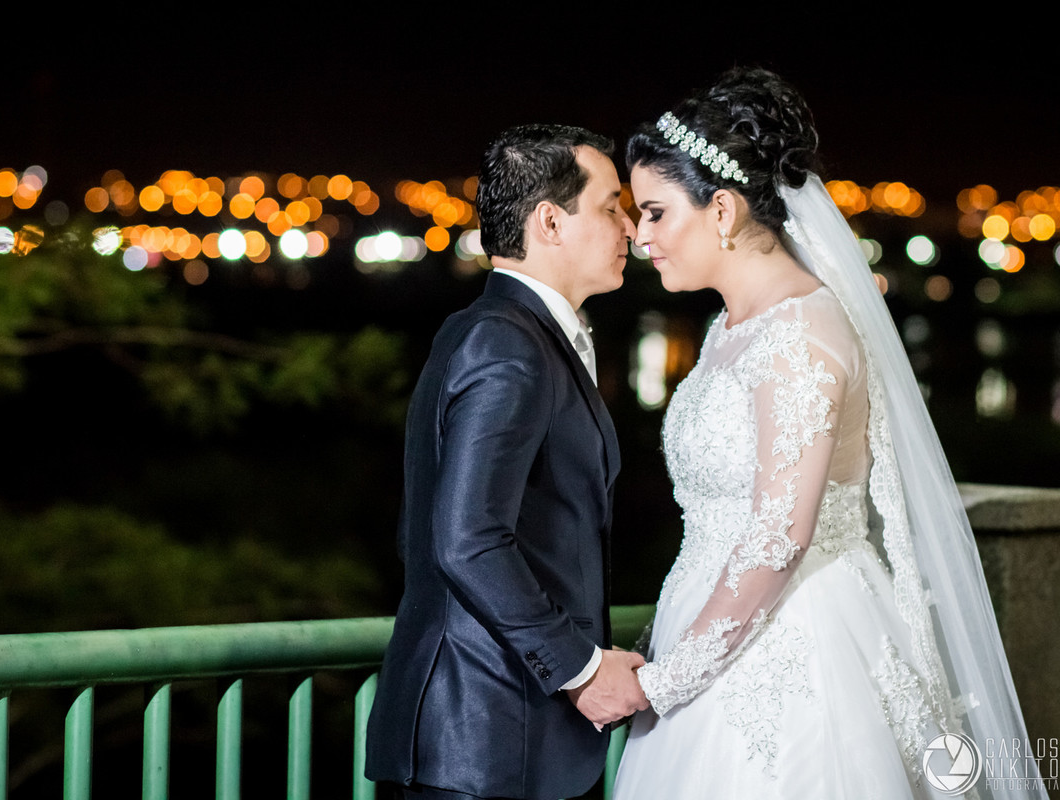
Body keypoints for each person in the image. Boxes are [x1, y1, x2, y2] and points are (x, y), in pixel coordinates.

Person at [612, 68, 1045, 800]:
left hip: (798, 646)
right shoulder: (729, 326)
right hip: (707, 627)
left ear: (721, 209)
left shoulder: (801, 334)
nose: (641, 234)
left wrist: (659, 685)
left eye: (655, 212)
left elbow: (780, 534)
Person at [365, 124, 650, 800]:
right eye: (611, 207)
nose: (629, 229)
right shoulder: (507, 346)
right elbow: (464, 539)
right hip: (481, 741)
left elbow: (427, 530)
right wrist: (582, 669)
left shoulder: (499, 331)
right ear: (550, 222)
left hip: (501, 735)